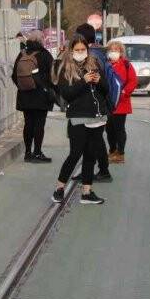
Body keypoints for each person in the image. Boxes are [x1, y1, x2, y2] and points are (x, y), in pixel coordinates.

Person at [51, 34, 108, 205]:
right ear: (71, 51)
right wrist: (83, 81)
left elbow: (105, 90)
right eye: (77, 50)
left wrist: (99, 81)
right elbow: (67, 94)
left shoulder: (95, 64)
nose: (81, 52)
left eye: (83, 50)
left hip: (97, 116)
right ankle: (59, 188)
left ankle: (86, 191)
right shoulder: (64, 67)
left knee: (91, 155)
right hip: (78, 117)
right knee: (75, 154)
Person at [73, 23, 113, 182]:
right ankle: (95, 170)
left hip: (94, 105)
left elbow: (95, 81)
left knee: (93, 140)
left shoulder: (92, 56)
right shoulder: (101, 52)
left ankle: (102, 171)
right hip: (100, 104)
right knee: (94, 140)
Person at [11, 30, 55, 163]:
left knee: (28, 123)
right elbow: (53, 76)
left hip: (25, 95)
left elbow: (14, 75)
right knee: (39, 124)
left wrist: (23, 86)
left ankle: (27, 153)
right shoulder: (45, 55)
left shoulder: (22, 53)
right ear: (41, 40)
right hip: (41, 95)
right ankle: (37, 152)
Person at [105, 40, 138, 162]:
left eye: (116, 50)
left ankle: (120, 153)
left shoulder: (126, 64)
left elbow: (133, 81)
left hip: (121, 102)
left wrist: (125, 92)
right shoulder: (105, 64)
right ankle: (112, 150)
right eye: (111, 50)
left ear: (121, 52)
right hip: (108, 103)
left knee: (119, 128)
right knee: (108, 129)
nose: (113, 52)